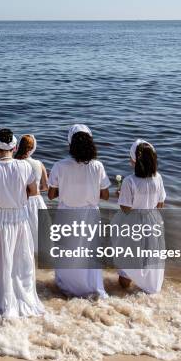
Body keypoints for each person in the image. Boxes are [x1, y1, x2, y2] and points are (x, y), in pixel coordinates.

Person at [0, 128, 45, 317]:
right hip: (19, 219)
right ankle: (20, 297)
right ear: (14, 148)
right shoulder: (26, 167)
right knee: (20, 261)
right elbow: (34, 192)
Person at [48, 124, 110, 298]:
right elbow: (105, 195)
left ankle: (67, 287)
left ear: (71, 144)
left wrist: (67, 190)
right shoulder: (97, 166)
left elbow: (51, 195)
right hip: (89, 214)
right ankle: (91, 287)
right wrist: (89, 191)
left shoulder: (59, 166)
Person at [114, 139, 167, 294]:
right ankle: (149, 287)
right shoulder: (158, 178)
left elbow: (125, 208)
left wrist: (120, 195)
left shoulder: (129, 181)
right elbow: (160, 204)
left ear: (135, 160)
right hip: (152, 220)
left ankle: (123, 292)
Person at [14, 134, 48, 253]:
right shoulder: (39, 164)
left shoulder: (14, 163)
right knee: (39, 234)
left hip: (20, 201)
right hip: (36, 201)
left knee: (22, 237)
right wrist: (37, 189)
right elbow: (46, 186)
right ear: (33, 147)